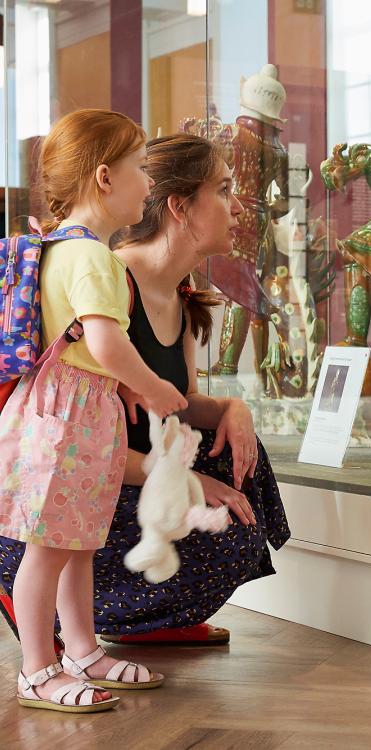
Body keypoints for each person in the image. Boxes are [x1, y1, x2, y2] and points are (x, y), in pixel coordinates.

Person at [0, 109, 188, 713]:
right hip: (69, 424)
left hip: (71, 413)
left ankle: (82, 650)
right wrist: (153, 387)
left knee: (78, 541)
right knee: (50, 547)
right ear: (105, 178)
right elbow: (106, 343)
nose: (148, 185)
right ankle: (37, 668)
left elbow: (81, 345)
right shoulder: (96, 260)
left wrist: (121, 387)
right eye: (139, 169)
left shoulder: (62, 249)